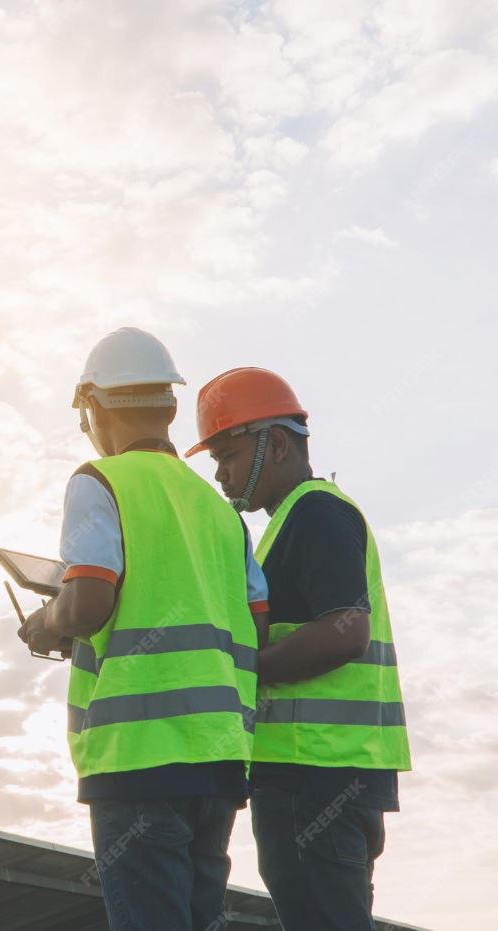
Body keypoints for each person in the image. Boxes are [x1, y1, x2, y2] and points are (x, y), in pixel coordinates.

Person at [18, 328, 267, 931]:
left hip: (136, 760)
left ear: (93, 407)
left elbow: (88, 604)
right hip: (220, 761)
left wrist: (47, 622)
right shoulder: (221, 513)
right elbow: (255, 626)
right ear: (171, 408)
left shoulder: (99, 481)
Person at [185, 367, 411, 931]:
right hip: (329, 773)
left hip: (313, 774)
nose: (220, 473)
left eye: (228, 455)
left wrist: (243, 672)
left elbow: (346, 631)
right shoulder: (295, 521)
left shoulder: (316, 512)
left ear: (278, 445)